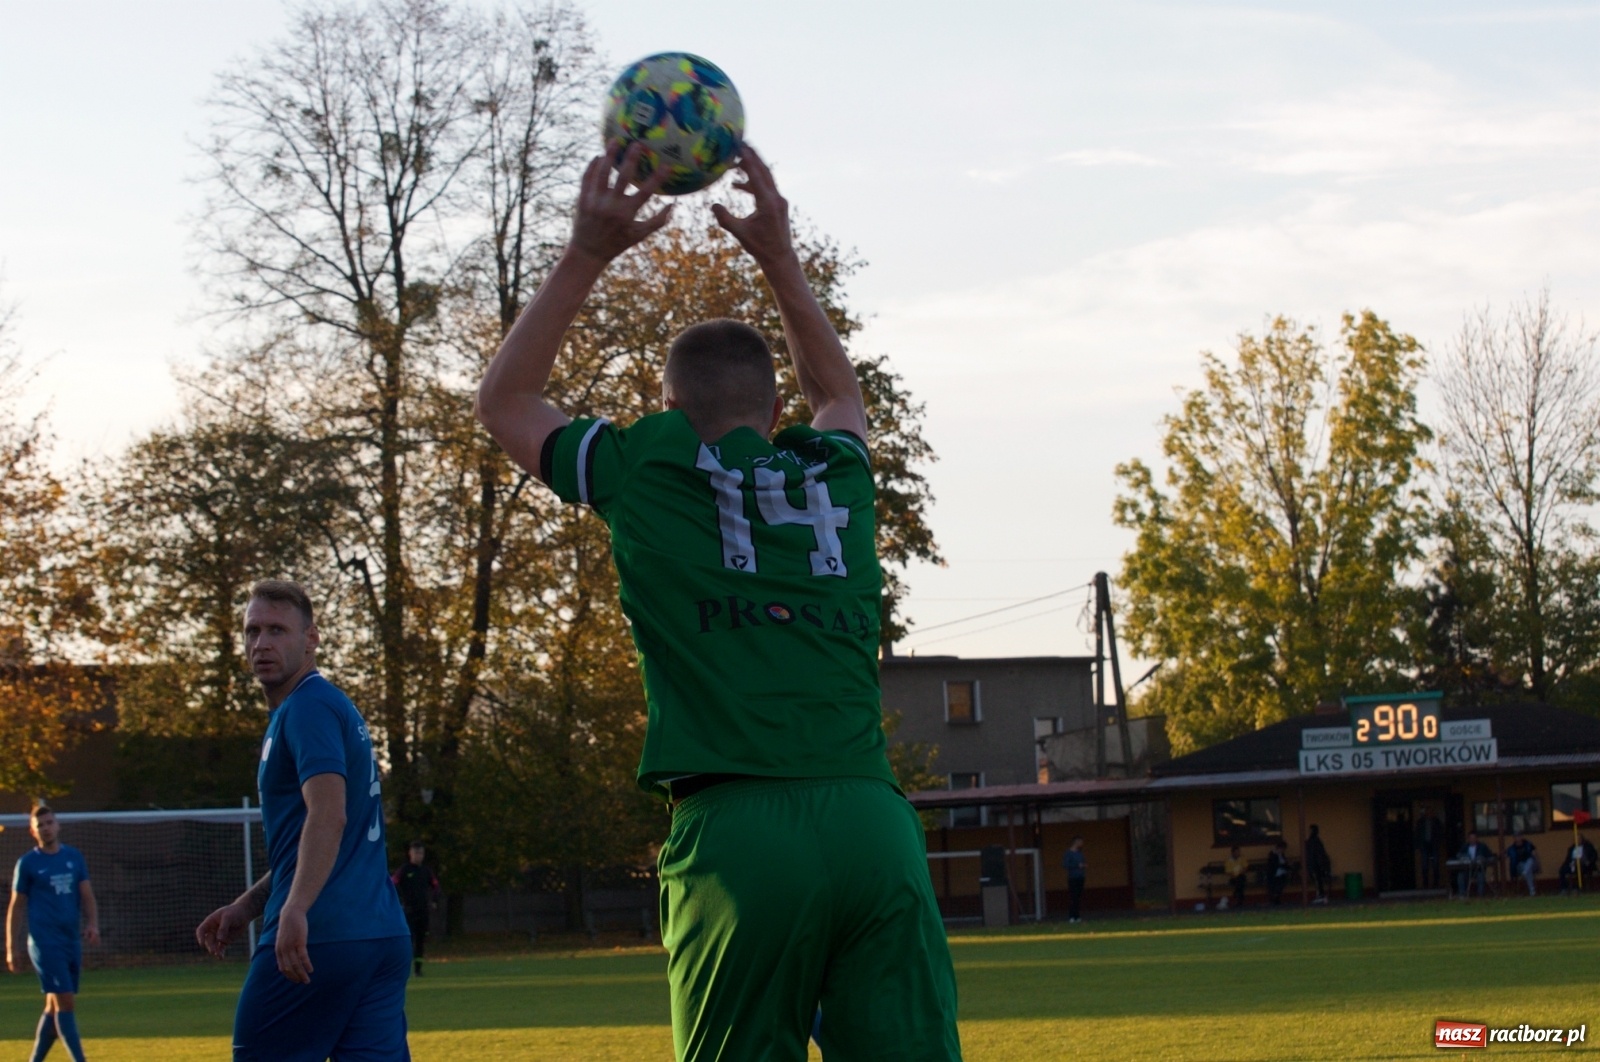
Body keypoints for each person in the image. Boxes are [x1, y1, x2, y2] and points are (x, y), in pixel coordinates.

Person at [475, 144, 962, 1061]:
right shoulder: (837, 474)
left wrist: (588, 252)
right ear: (776, 408)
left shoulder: (644, 462)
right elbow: (842, 393)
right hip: (871, 822)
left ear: (667, 399)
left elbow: (505, 400)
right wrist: (779, 255)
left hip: (741, 833)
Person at [195, 579, 413, 1061]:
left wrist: (295, 909)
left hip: (321, 935)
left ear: (311, 638)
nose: (262, 643)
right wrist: (248, 906)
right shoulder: (331, 705)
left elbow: (329, 814)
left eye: (277, 630)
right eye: (253, 631)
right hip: (380, 936)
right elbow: (314, 839)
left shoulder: (307, 708)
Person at [7, 804, 99, 1062]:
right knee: (66, 1004)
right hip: (45, 943)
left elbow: (87, 895)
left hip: (70, 940)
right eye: (40, 826)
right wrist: (11, 948)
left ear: (57, 825)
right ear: (33, 832)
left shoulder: (73, 857)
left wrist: (92, 924)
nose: (46, 828)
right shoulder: (27, 864)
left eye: (49, 823)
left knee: (53, 1005)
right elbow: (16, 907)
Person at [392, 842, 440, 976]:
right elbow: (392, 883)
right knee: (407, 940)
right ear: (410, 853)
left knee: (420, 940)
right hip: (409, 910)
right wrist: (399, 900)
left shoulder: (426, 871)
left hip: (423, 910)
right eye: (416, 852)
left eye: (421, 853)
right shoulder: (405, 870)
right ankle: (402, 969)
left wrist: (434, 900)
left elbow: (435, 886)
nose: (419, 856)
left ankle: (418, 970)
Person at [1455, 831, 1494, 898]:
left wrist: (1483, 859)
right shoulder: (1465, 847)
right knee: (1460, 876)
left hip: (1479, 869)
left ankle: (1480, 895)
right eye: (1471, 838)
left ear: (1477, 838)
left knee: (1480, 876)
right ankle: (1462, 894)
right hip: (1467, 870)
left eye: (1474, 838)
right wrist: (1463, 857)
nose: (1472, 839)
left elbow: (1490, 855)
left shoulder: (1482, 846)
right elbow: (1458, 855)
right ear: (1468, 839)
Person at [1415, 805, 1444, 889]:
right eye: (1427, 812)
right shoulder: (1420, 822)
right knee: (1424, 865)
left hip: (1434, 844)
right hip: (1424, 845)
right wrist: (1417, 846)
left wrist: (1439, 842)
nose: (1429, 813)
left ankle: (1436, 883)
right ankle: (1425, 883)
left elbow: (1441, 832)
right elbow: (1417, 834)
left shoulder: (1437, 821)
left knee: (1435, 864)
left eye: (1430, 811)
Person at [1304, 825, 1332, 904]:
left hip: (1316, 865)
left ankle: (1320, 896)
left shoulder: (1314, 841)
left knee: (1318, 880)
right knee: (1318, 881)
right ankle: (1320, 895)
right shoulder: (1316, 841)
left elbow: (1313, 855)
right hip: (1318, 865)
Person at [1063, 837, 1087, 923]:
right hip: (1073, 877)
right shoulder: (1068, 853)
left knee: (1078, 897)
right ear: (1076, 842)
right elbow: (1065, 865)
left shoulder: (1080, 853)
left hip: (1080, 877)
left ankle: (1077, 916)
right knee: (1073, 896)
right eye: (1080, 842)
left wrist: (1083, 866)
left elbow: (1083, 862)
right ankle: (1072, 916)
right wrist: (1077, 865)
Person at [1266, 839, 1292, 905]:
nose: (1283, 851)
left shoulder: (1282, 855)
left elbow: (1284, 863)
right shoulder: (1273, 854)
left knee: (1282, 881)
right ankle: (1275, 898)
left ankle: (1277, 897)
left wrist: (1288, 866)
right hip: (1274, 874)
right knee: (1278, 883)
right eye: (1282, 849)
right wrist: (1285, 866)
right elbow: (1275, 865)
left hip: (1281, 873)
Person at [1222, 845, 1248, 910]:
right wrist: (1236, 873)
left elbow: (1245, 868)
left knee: (1240, 880)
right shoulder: (1228, 861)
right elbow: (1228, 872)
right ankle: (1240, 899)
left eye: (1239, 852)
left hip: (1241, 876)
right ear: (1233, 853)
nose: (1238, 853)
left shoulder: (1242, 858)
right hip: (1233, 878)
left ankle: (1236, 894)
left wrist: (1240, 872)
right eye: (1236, 852)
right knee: (1239, 882)